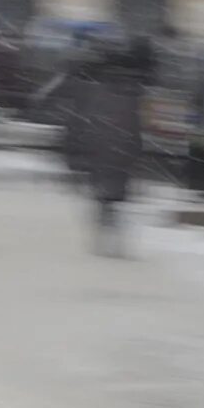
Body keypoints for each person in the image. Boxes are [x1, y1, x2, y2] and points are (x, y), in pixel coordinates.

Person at [75, 35, 152, 255]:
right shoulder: (133, 93)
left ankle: (102, 238)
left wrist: (84, 150)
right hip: (121, 152)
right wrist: (136, 153)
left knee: (104, 198)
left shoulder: (98, 90)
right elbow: (136, 128)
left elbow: (88, 122)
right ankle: (116, 241)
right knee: (116, 199)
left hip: (102, 151)